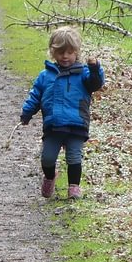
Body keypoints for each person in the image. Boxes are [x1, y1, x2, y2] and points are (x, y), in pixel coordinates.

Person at [19, 27, 105, 200]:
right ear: (53, 52)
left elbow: (95, 84)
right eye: (60, 53)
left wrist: (95, 68)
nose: (65, 57)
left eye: (69, 53)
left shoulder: (84, 74)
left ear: (77, 53)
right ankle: (50, 176)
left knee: (74, 157)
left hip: (76, 123)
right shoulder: (46, 76)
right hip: (53, 124)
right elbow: (36, 95)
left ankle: (74, 187)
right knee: (47, 158)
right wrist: (27, 113)